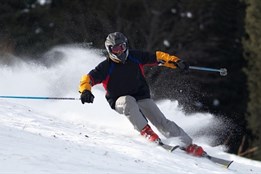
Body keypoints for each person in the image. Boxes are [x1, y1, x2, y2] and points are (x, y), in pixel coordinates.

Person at [79, 32, 204, 156]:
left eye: (121, 47)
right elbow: (88, 78)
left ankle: (187, 144)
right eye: (115, 49)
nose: (120, 52)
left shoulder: (135, 56)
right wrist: (86, 91)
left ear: (126, 46)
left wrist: (176, 61)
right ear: (109, 50)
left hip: (141, 96)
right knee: (128, 101)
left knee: (161, 121)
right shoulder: (106, 67)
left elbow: (158, 57)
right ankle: (146, 131)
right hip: (119, 100)